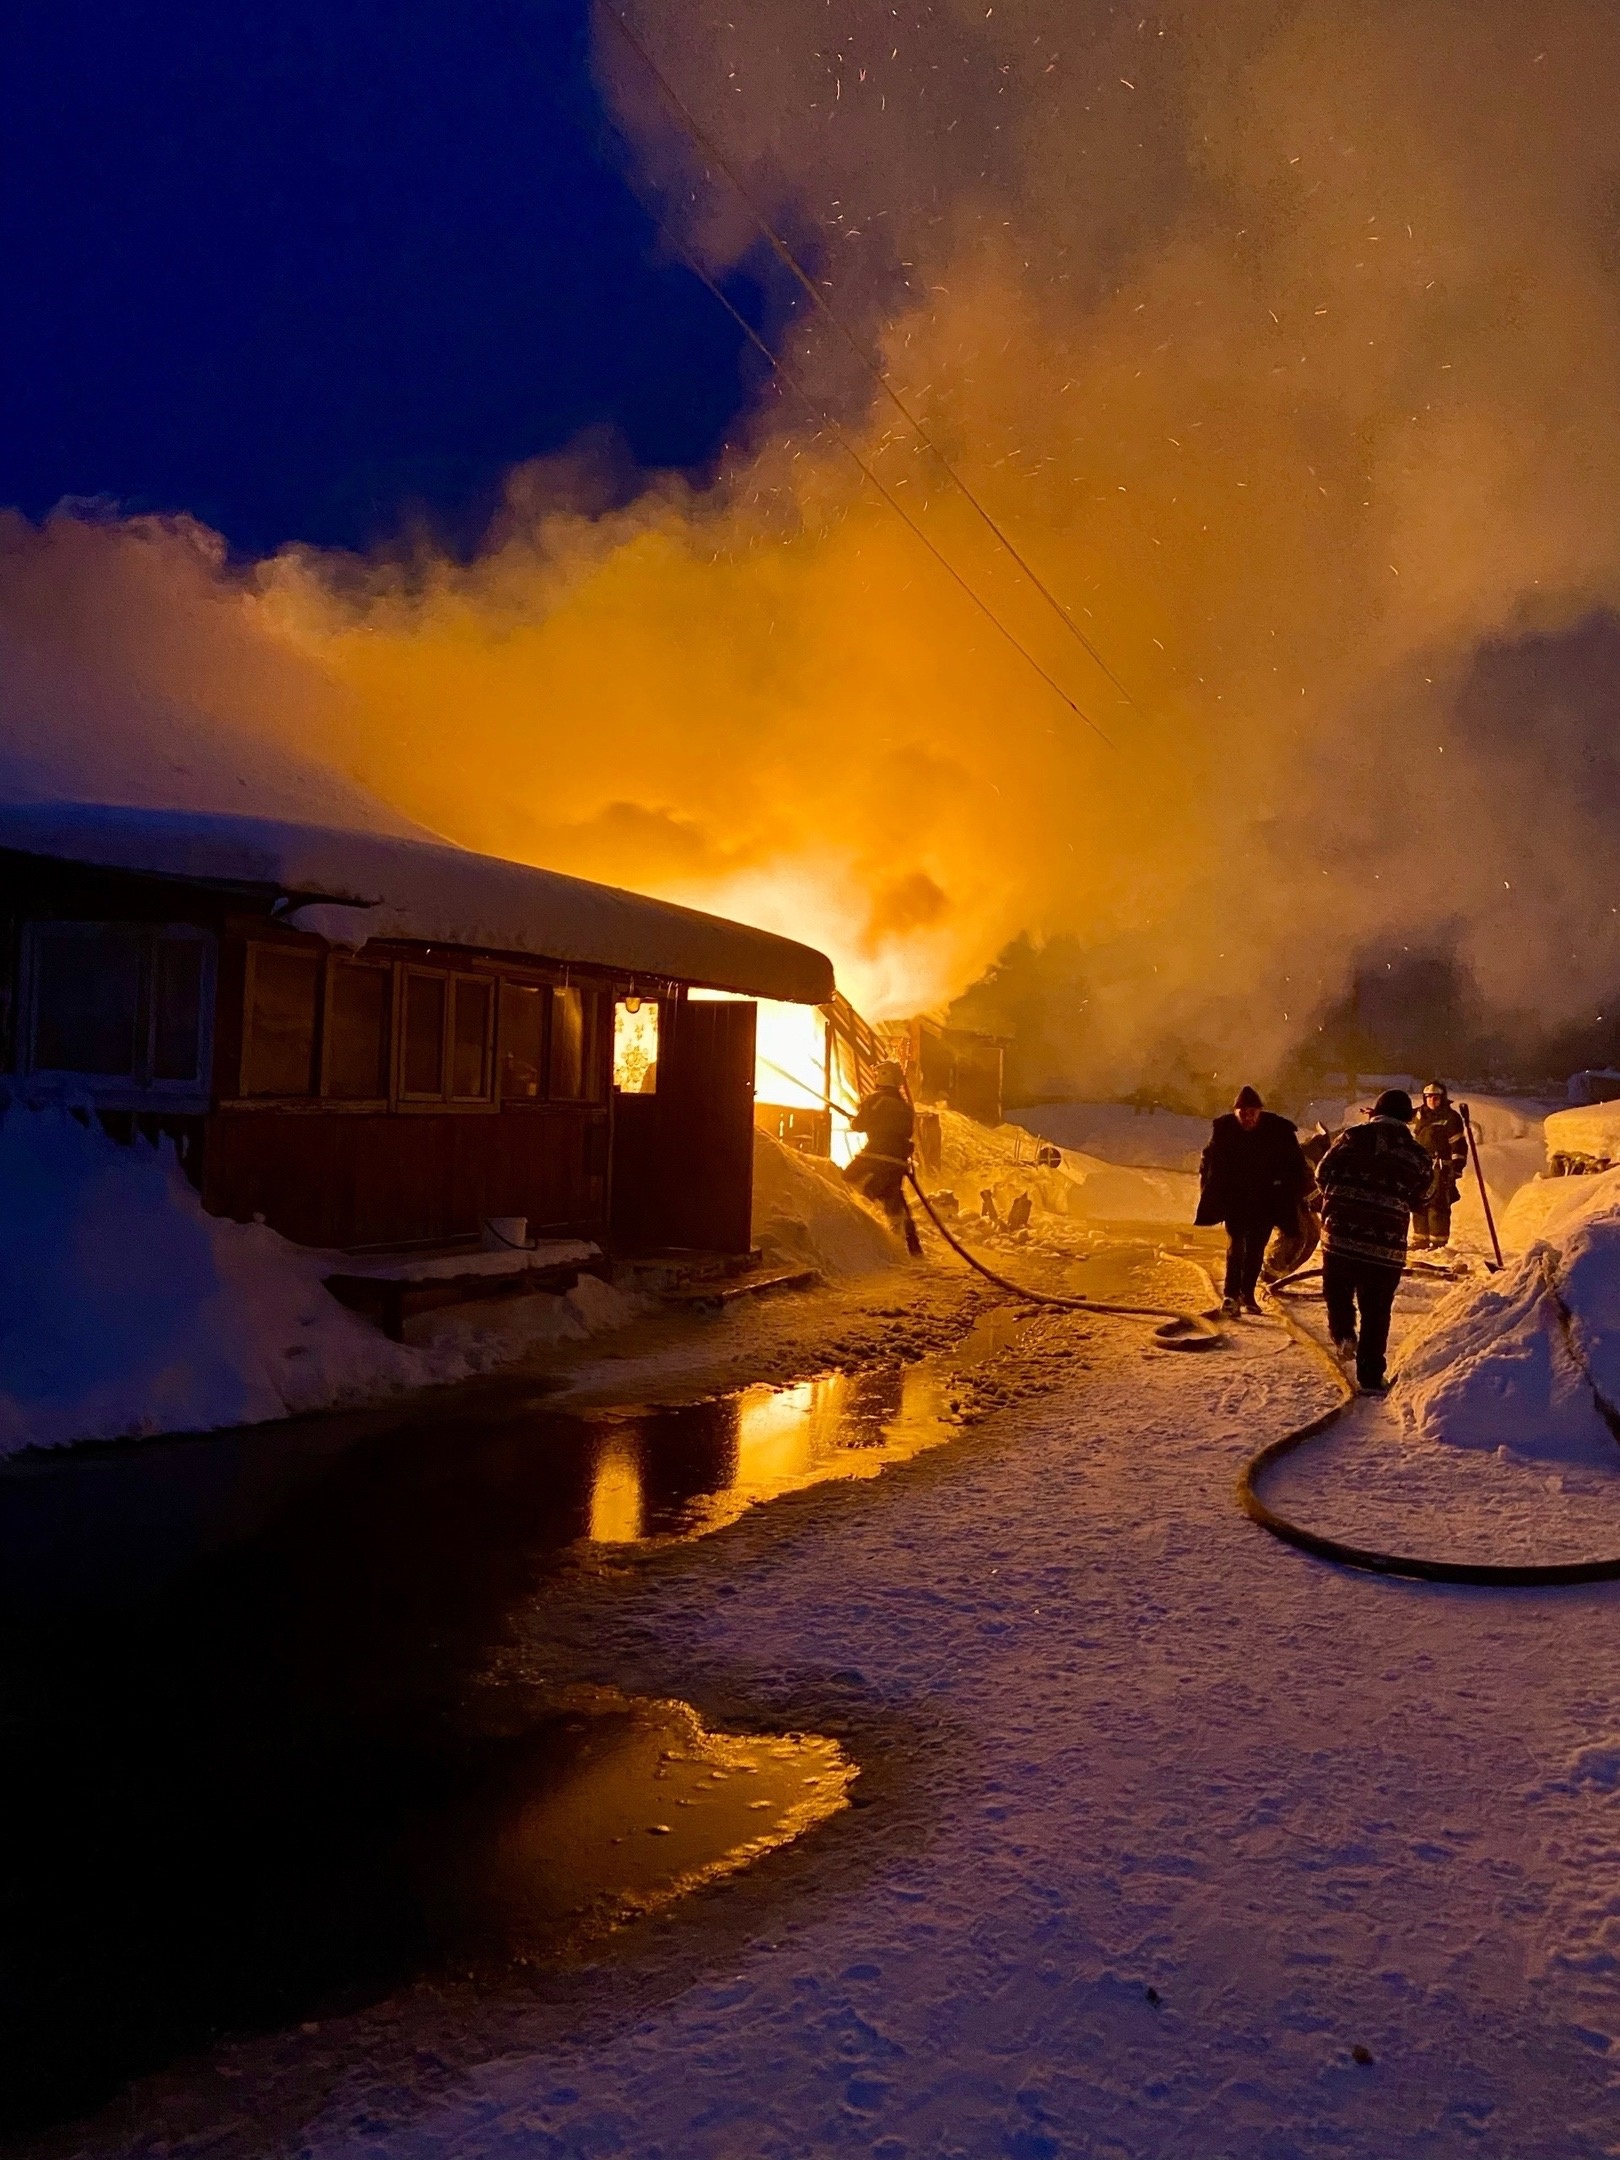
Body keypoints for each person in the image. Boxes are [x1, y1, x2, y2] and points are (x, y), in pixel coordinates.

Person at [1314, 1088, 1436, 1394]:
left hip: (1340, 1236)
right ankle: (1370, 1376)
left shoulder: (1350, 1138)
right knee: (1377, 1309)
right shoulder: (1419, 1156)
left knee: (1338, 1291)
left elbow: (1322, 1172)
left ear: (1375, 1113)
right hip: (1385, 1247)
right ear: (1406, 1119)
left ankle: (1343, 1335)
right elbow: (1424, 1198)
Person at [1195, 1086, 1313, 1317]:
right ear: (1236, 1112)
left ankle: (1247, 1294)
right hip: (1235, 1200)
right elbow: (1209, 1164)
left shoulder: (1278, 1132)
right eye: (1243, 1113)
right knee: (1237, 1246)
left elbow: (1296, 1166)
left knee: (1256, 1249)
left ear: (1259, 1112)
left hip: (1267, 1201)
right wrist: (1212, 1192)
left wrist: (1287, 1190)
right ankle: (1231, 1295)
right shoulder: (1225, 1132)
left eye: (1252, 1112)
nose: (1248, 1117)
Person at [843, 1060, 923, 1255]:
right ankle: (912, 1248)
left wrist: (854, 1120)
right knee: (894, 1201)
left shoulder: (876, 1099)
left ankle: (852, 1234)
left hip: (875, 1156)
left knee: (845, 1182)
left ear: (881, 1077)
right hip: (897, 1161)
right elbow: (906, 1131)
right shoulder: (904, 1106)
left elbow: (859, 1125)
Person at [1411, 1080, 1469, 1250]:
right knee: (1418, 1202)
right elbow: (1399, 1114)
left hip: (1441, 1167)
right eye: (1428, 1097)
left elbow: (1458, 1144)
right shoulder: (1421, 1114)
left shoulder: (1450, 1118)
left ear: (1442, 1098)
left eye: (1435, 1098)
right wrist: (1376, 1113)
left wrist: (1457, 1167)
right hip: (1420, 1165)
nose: (1432, 1101)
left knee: (1437, 1204)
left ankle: (1438, 1242)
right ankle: (1420, 1239)